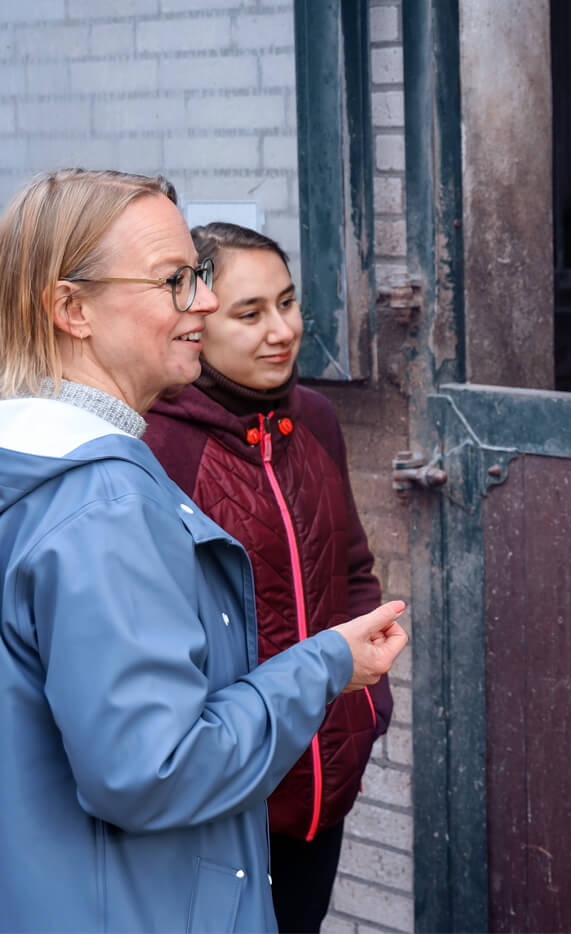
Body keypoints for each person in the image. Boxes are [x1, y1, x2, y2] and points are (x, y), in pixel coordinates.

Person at [0, 168, 408, 932]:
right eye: (175, 280)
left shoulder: (32, 465)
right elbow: (152, 773)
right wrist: (324, 669)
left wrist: (357, 715)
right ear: (70, 309)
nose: (207, 301)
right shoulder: (105, 504)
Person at [142, 221, 389, 932]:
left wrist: (366, 713)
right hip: (223, 805)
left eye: (287, 303)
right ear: (195, 316)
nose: (281, 331)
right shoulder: (154, 445)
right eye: (250, 314)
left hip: (321, 791)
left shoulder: (315, 418)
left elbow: (353, 571)